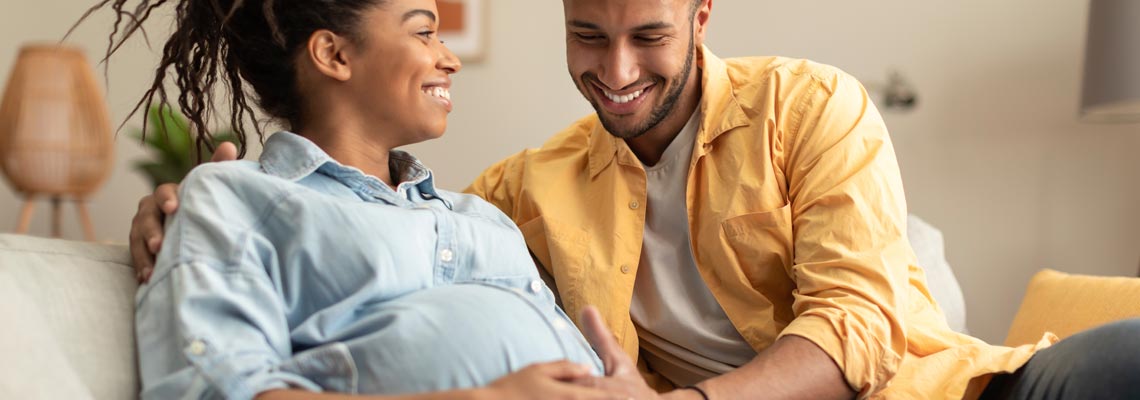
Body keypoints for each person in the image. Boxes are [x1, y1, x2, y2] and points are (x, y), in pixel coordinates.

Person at [131, 0, 1140, 399]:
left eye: (648, 35)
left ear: (701, 14)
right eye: (586, 36)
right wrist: (184, 202)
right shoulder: (517, 196)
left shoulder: (810, 106)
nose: (614, 69)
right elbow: (342, 221)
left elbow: (859, 324)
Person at [83, 0, 674, 399]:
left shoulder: (483, 218)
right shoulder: (236, 197)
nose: (450, 56)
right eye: (423, 31)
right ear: (334, 55)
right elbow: (217, 387)